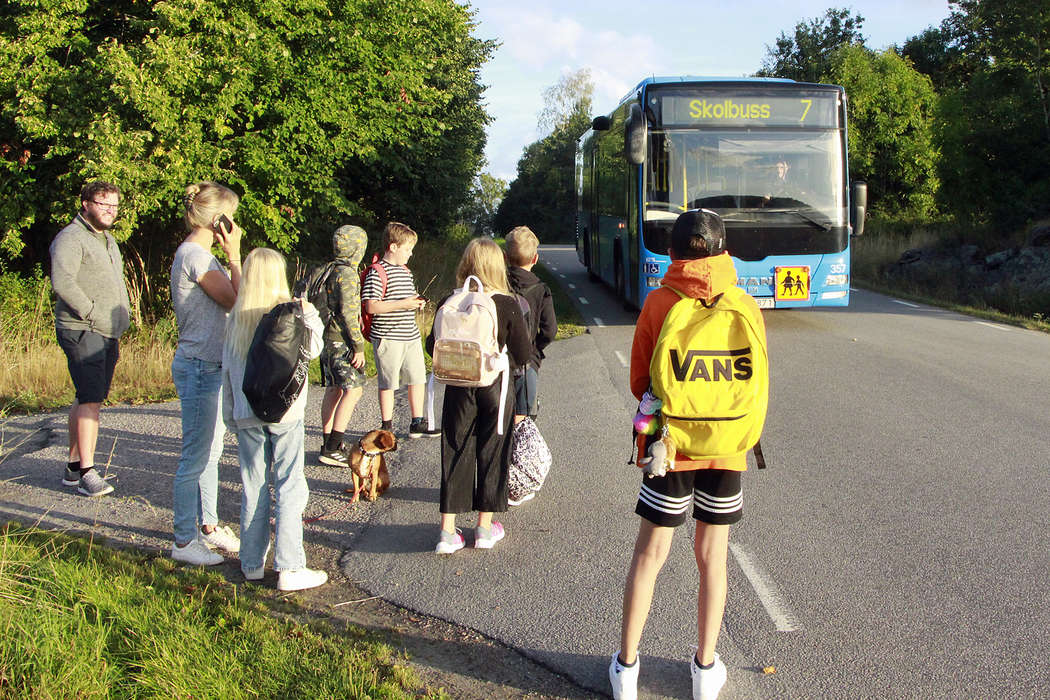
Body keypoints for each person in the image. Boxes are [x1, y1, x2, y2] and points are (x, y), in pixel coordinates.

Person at [609, 210, 767, 700]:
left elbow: (641, 383)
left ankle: (627, 670)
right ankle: (704, 671)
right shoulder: (745, 303)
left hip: (668, 447)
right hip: (726, 449)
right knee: (711, 558)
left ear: (673, 254)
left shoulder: (659, 303)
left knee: (650, 554)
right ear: (723, 253)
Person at [222, 248, 328, 591]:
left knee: (253, 486)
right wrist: (310, 314)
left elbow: (227, 371)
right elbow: (314, 351)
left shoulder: (236, 318)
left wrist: (231, 414)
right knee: (289, 485)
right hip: (287, 412)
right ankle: (290, 566)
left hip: (247, 413)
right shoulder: (292, 314)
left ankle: (252, 563)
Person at [425, 238, 531, 553]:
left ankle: (447, 531)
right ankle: (484, 528)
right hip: (495, 386)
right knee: (492, 449)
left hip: (458, 385)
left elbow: (432, 345)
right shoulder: (506, 303)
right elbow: (523, 354)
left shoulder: (450, 300)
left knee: (455, 448)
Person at [169, 181, 243, 566]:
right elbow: (237, 298)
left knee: (211, 453)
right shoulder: (196, 256)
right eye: (231, 216)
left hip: (209, 364)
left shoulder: (199, 255)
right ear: (219, 220)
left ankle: (208, 528)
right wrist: (235, 255)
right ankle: (184, 541)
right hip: (199, 366)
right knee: (195, 458)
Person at [50, 181, 131, 497]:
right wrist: (93, 313)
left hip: (107, 331)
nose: (110, 210)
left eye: (114, 205)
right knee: (91, 401)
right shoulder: (71, 238)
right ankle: (87, 473)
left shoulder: (108, 240)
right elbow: (63, 282)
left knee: (86, 396)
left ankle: (73, 467)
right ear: (85, 203)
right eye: (103, 203)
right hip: (83, 329)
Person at [361, 221, 438, 438]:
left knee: (417, 378)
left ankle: (417, 422)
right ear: (393, 247)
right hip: (388, 337)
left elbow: (405, 299)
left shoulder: (405, 271)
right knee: (388, 382)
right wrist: (403, 304)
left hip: (410, 334)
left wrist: (415, 302)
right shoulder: (378, 272)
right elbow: (371, 305)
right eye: (407, 249)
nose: (410, 254)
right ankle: (386, 426)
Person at [318, 225, 369, 466]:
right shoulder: (347, 274)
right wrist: (358, 346)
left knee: (333, 388)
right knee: (354, 389)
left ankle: (327, 442)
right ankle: (334, 447)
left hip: (325, 339)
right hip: (341, 341)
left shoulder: (328, 269)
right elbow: (349, 314)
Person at [504, 226, 557, 424]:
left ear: (505, 257)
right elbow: (550, 330)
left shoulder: (497, 284)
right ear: (535, 258)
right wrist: (534, 349)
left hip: (497, 360)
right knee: (524, 417)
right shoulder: (540, 289)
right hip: (525, 363)